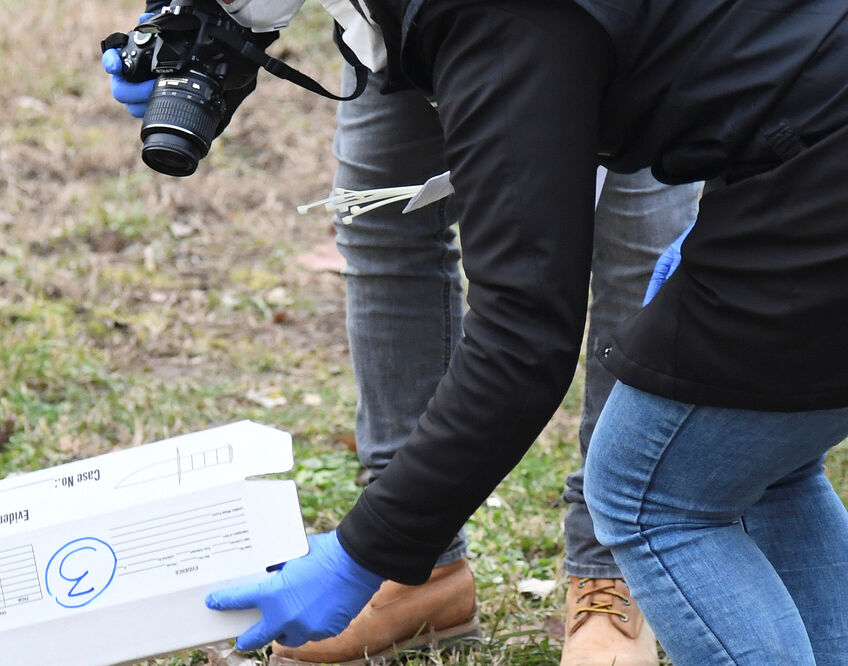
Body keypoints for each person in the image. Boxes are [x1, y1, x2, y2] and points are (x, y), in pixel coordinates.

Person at [112, 1, 848, 664]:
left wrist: (360, 553)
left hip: (817, 179)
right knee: (756, 462)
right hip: (805, 131)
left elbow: (523, 339)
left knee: (648, 491)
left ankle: (603, 588)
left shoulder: (498, 26)